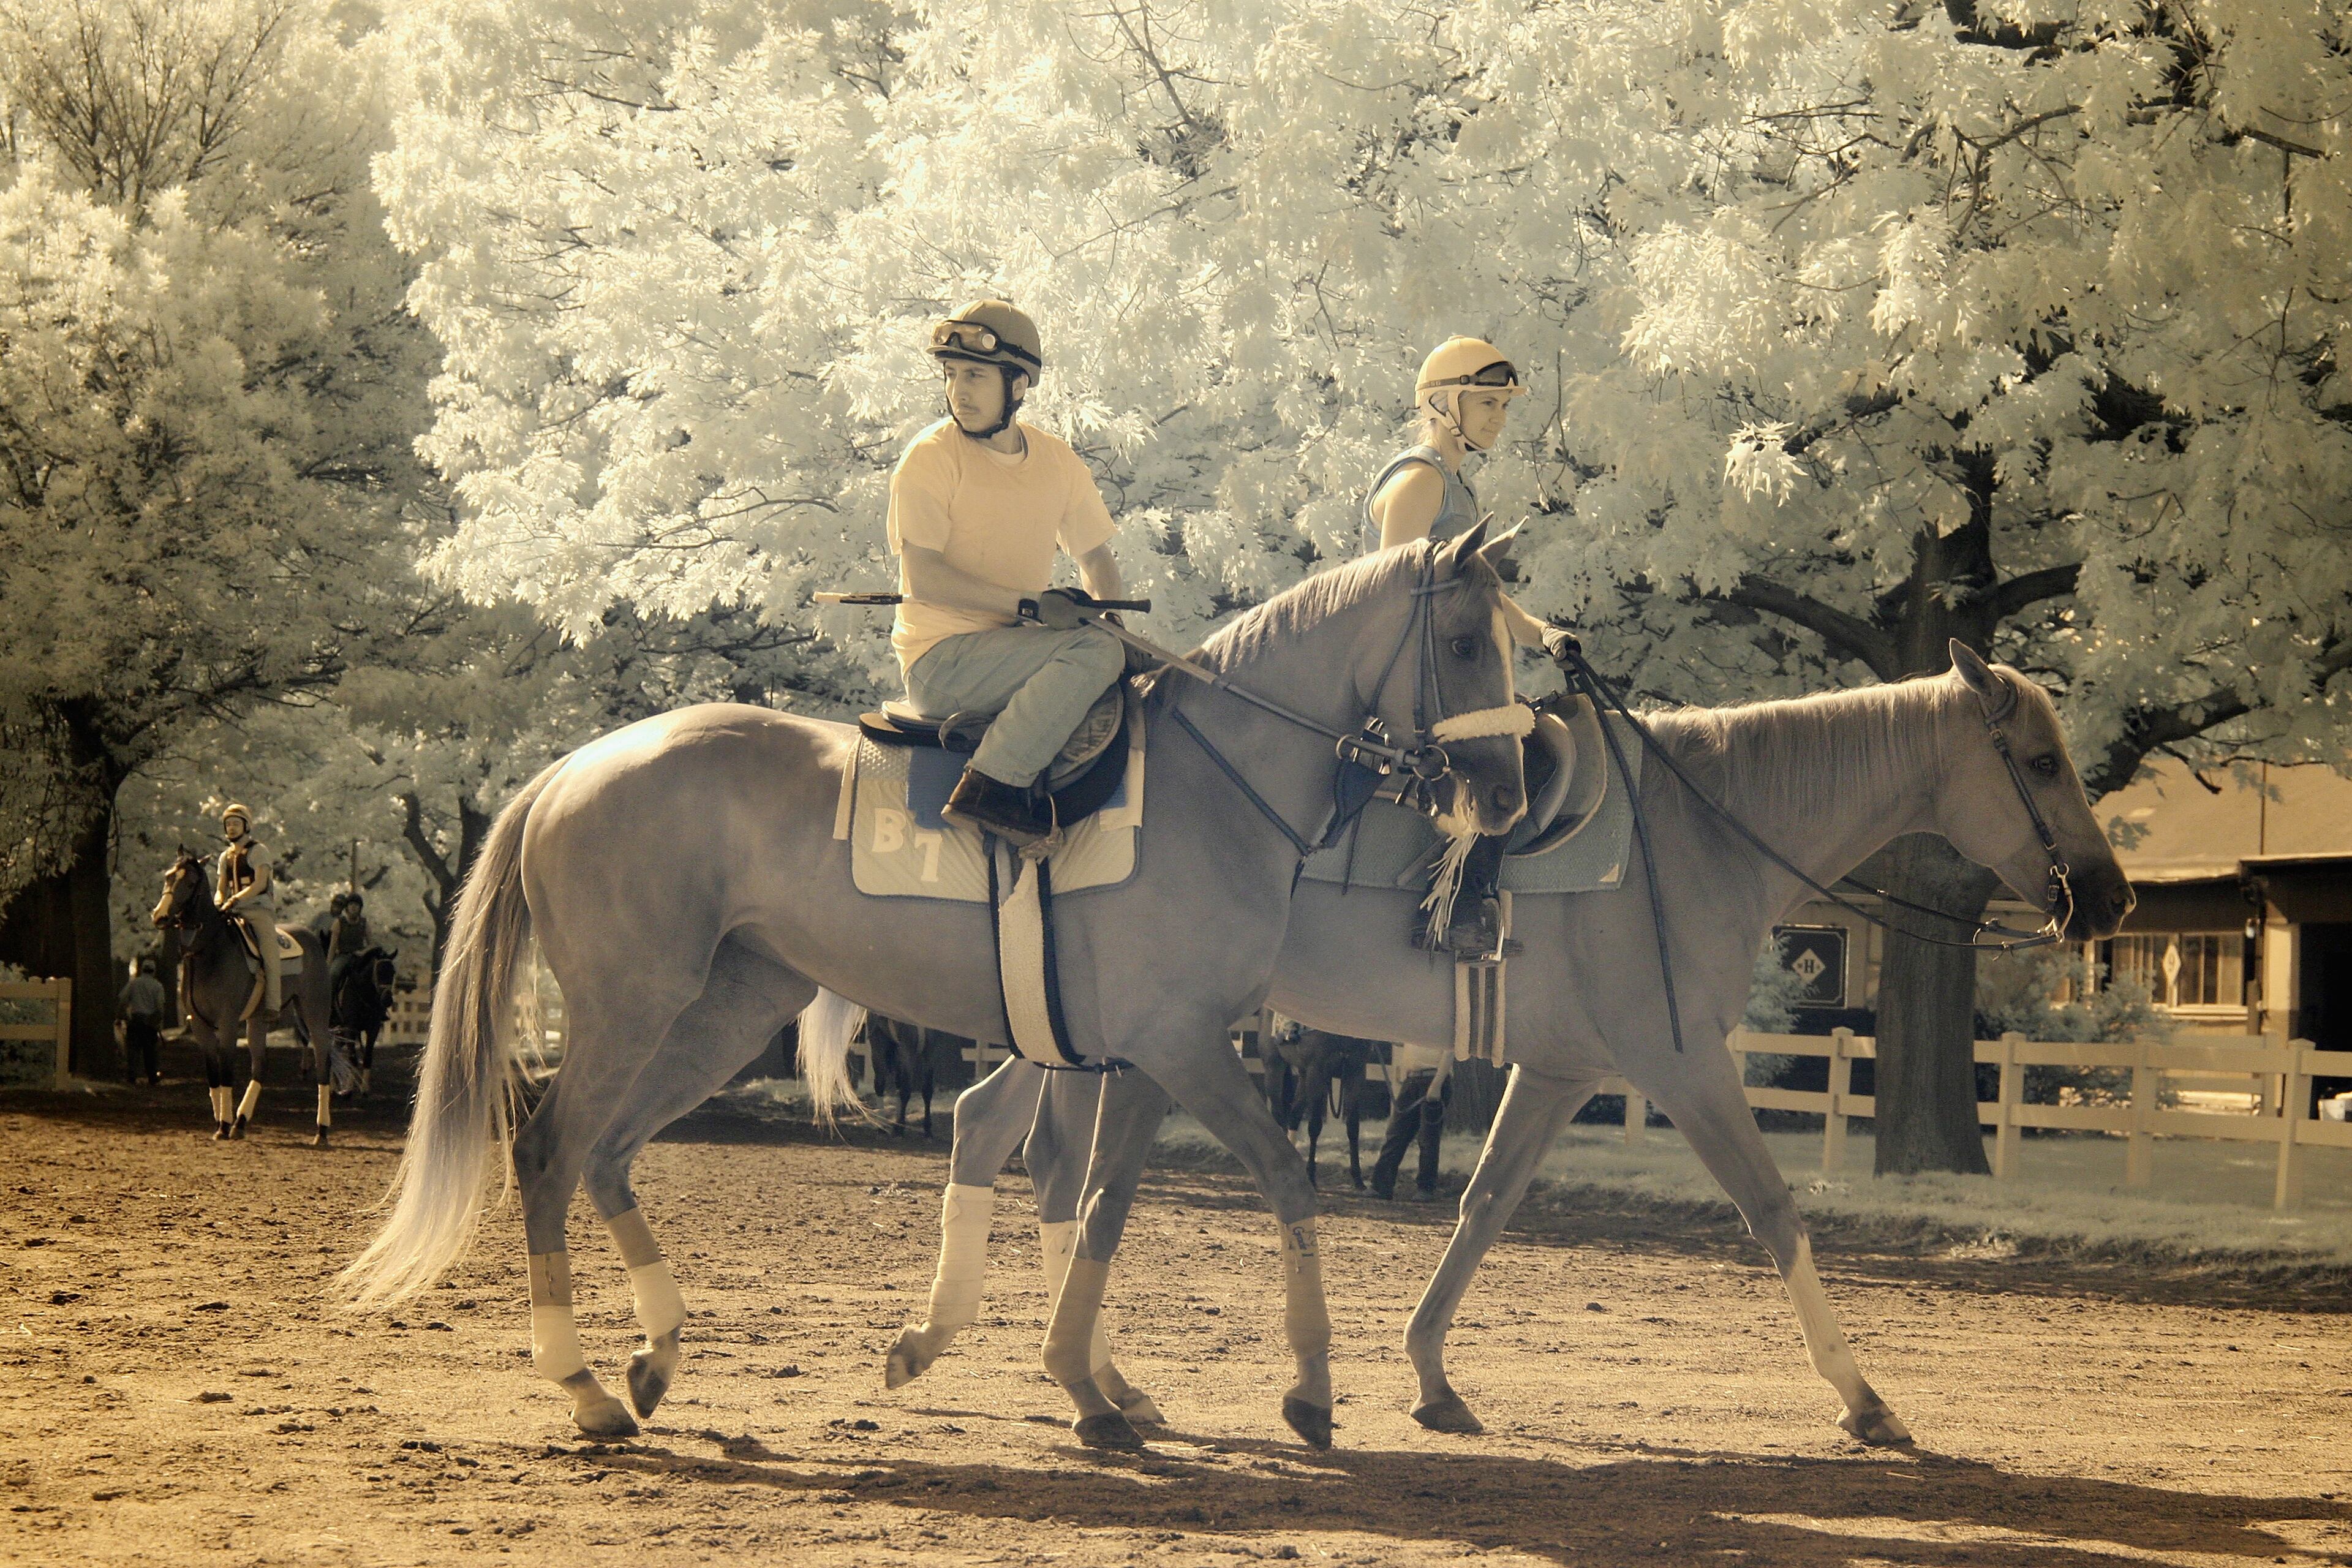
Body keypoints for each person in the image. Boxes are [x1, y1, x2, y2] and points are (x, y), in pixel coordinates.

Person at [888, 300, 1127, 846]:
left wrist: (1111, 617)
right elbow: (923, 578)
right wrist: (1030, 605)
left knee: (1113, 649)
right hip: (939, 662)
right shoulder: (929, 458)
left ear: (1018, 385)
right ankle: (991, 788)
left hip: (1010, 652)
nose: (958, 392)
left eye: (974, 375)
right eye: (951, 376)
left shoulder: (1057, 460)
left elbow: (1096, 560)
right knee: (1094, 652)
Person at [1363, 337, 1545, 956]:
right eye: (1487, 402)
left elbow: (1478, 594)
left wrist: (1542, 634)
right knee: (1501, 747)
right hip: (1405, 666)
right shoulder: (1419, 481)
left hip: (1444, 659)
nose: (1498, 417)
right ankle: (1454, 911)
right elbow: (1395, 591)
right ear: (1444, 404)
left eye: (1503, 406)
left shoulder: (1455, 486)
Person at [215, 804, 282, 1014]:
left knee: (270, 955)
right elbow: (220, 888)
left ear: (246, 825)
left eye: (236, 823)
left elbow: (260, 884)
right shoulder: (225, 857)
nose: (232, 828)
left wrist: (235, 899)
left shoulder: (259, 851)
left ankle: (273, 1005)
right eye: (228, 824)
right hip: (232, 911)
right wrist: (218, 902)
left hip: (257, 911)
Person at [1371, 1041, 1453, 1201]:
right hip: (1411, 1081)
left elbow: (1449, 1052)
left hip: (1433, 1079)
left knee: (1428, 1139)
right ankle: (1381, 1186)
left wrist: (1436, 1085)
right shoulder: (1414, 1025)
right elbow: (1399, 1041)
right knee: (1395, 1135)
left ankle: (1426, 1188)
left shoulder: (1441, 1022)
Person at [118, 957, 167, 1085]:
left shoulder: (134, 983)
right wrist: (158, 1021)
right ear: (154, 971)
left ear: (142, 970)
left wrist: (124, 1013)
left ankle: (132, 1076)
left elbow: (122, 998)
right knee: (150, 1051)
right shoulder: (157, 986)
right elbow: (160, 1007)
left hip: (135, 1020)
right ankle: (152, 1076)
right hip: (150, 1023)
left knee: (133, 1050)